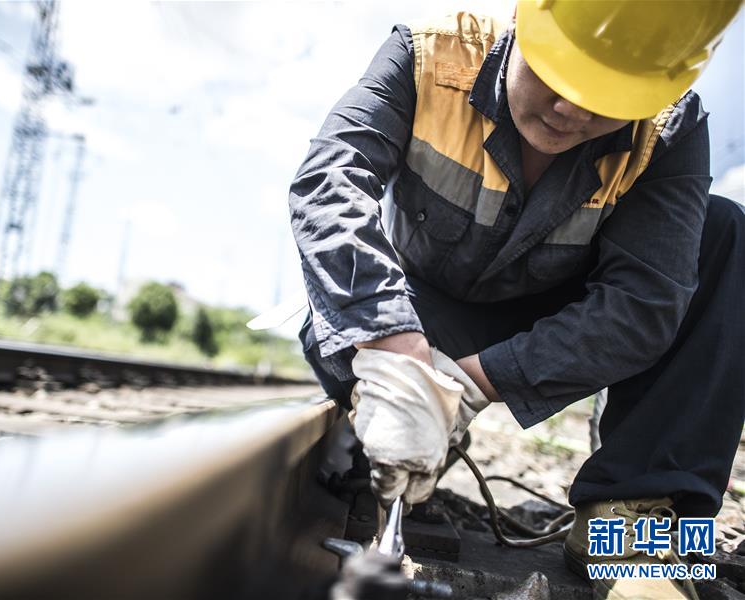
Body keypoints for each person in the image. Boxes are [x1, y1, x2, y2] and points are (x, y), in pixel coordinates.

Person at [288, 1, 744, 598]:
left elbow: (645, 301)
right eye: (558, 76)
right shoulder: (427, 58)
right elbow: (330, 182)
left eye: (610, 96)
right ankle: (394, 445)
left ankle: (644, 528)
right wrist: (395, 351)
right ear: (527, 23)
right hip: (416, 321)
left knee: (724, 233)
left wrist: (473, 385)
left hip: (561, 324)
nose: (572, 109)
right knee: (353, 389)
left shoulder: (669, 130)